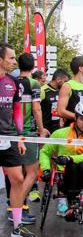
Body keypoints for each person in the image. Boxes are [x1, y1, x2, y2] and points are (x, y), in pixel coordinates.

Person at [40, 101, 83, 222]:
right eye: (82, 119)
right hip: (66, 178)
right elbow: (44, 152)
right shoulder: (60, 133)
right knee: (71, 166)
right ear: (75, 117)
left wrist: (69, 158)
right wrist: (46, 169)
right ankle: (71, 204)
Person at [0, 44, 30, 237]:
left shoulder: (13, 82)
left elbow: (17, 110)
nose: (14, 62)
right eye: (10, 58)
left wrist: (20, 137)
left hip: (7, 137)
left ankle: (17, 227)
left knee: (18, 180)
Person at [15, 54, 48, 209]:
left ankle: (18, 207)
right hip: (27, 132)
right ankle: (16, 206)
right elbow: (36, 108)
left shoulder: (12, 82)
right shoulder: (34, 83)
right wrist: (41, 129)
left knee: (19, 175)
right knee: (33, 172)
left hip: (11, 131)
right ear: (33, 66)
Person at [57, 55, 83, 124]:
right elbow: (60, 111)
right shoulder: (67, 86)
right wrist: (81, 118)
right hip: (72, 129)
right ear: (81, 68)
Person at [40, 69, 69, 134]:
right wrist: (40, 128)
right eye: (65, 81)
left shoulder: (61, 91)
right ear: (58, 79)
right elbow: (35, 109)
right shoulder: (43, 90)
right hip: (45, 129)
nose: (66, 84)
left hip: (57, 129)